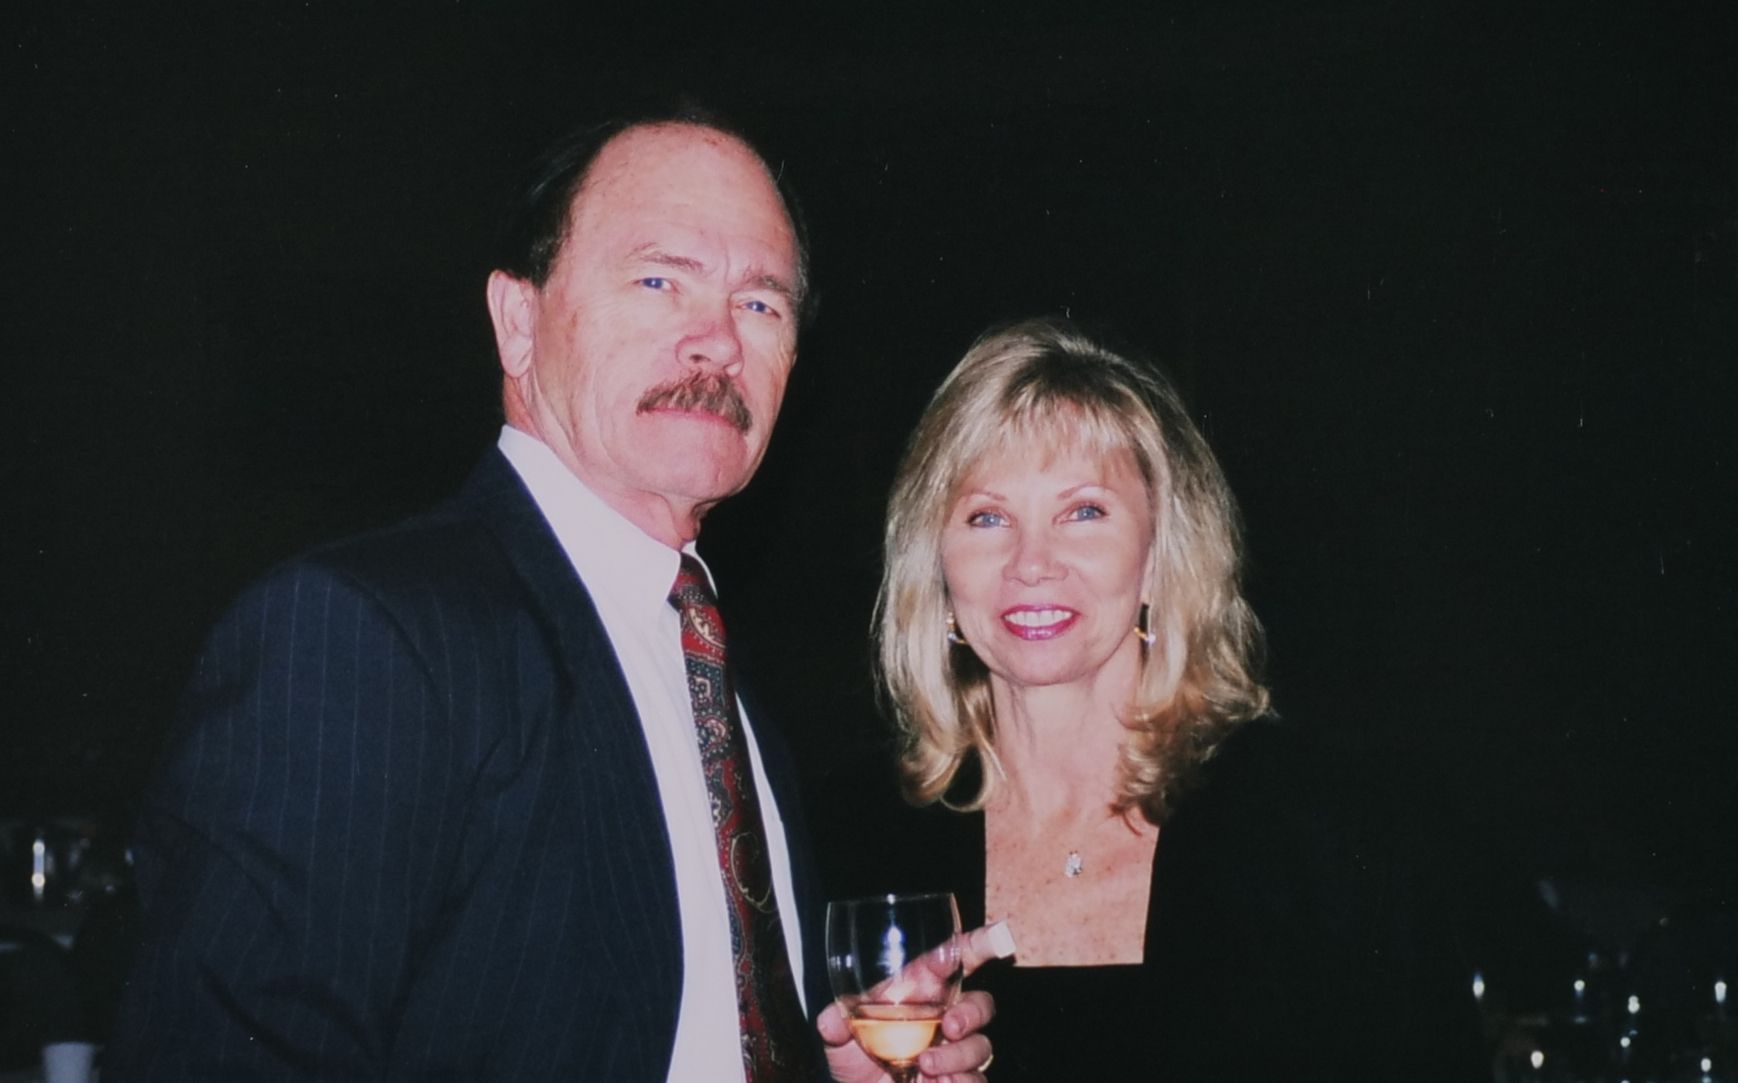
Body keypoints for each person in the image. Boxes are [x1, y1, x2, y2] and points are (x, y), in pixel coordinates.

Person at [108, 105, 993, 1081]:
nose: (716, 341)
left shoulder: (729, 696)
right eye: (659, 281)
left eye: (761, 304)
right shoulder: (363, 639)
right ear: (518, 323)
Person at [872, 317, 1489, 1080]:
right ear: (936, 564)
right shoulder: (854, 842)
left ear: (1160, 553)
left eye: (1084, 511)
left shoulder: (1329, 833)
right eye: (988, 516)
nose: (1031, 562)